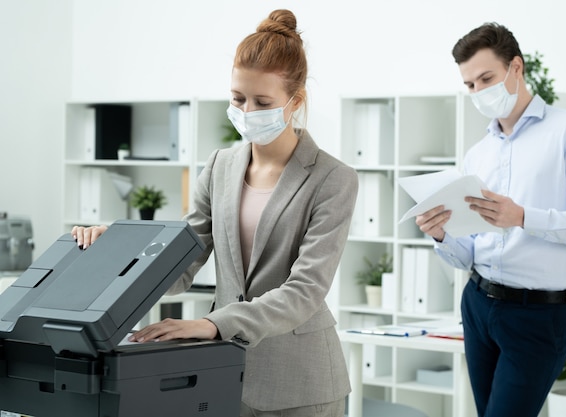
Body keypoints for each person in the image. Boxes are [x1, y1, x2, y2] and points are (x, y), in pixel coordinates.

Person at [73, 9, 356, 417]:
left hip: (301, 381)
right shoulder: (220, 165)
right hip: (222, 372)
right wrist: (116, 252)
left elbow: (306, 290)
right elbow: (181, 263)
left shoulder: (333, 178)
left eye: (263, 102)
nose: (247, 111)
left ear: (295, 101)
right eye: (238, 98)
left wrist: (214, 324)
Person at [415, 23, 566, 417]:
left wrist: (523, 217)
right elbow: (468, 252)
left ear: (516, 68)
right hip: (477, 305)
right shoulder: (477, 154)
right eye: (470, 85)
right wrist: (442, 236)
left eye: (486, 78)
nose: (478, 92)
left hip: (538, 315)